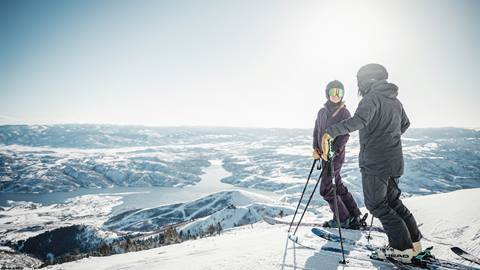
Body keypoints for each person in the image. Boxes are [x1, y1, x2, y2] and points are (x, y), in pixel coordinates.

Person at [320, 64, 422, 263]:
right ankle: (414, 245)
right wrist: (388, 138)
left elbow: (358, 121)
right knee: (392, 202)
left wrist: (330, 132)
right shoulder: (394, 100)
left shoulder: (371, 98)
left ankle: (401, 249)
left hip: (376, 163)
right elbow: (405, 124)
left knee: (376, 205)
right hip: (394, 161)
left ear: (367, 80)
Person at [313, 80, 363, 229]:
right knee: (338, 185)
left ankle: (343, 218)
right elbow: (316, 131)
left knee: (326, 189)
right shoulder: (322, 112)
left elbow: (345, 135)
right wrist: (315, 148)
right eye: (333, 92)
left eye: (339, 92)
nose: (336, 95)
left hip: (335, 156)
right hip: (323, 155)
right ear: (327, 94)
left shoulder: (344, 112)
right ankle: (353, 214)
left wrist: (334, 150)